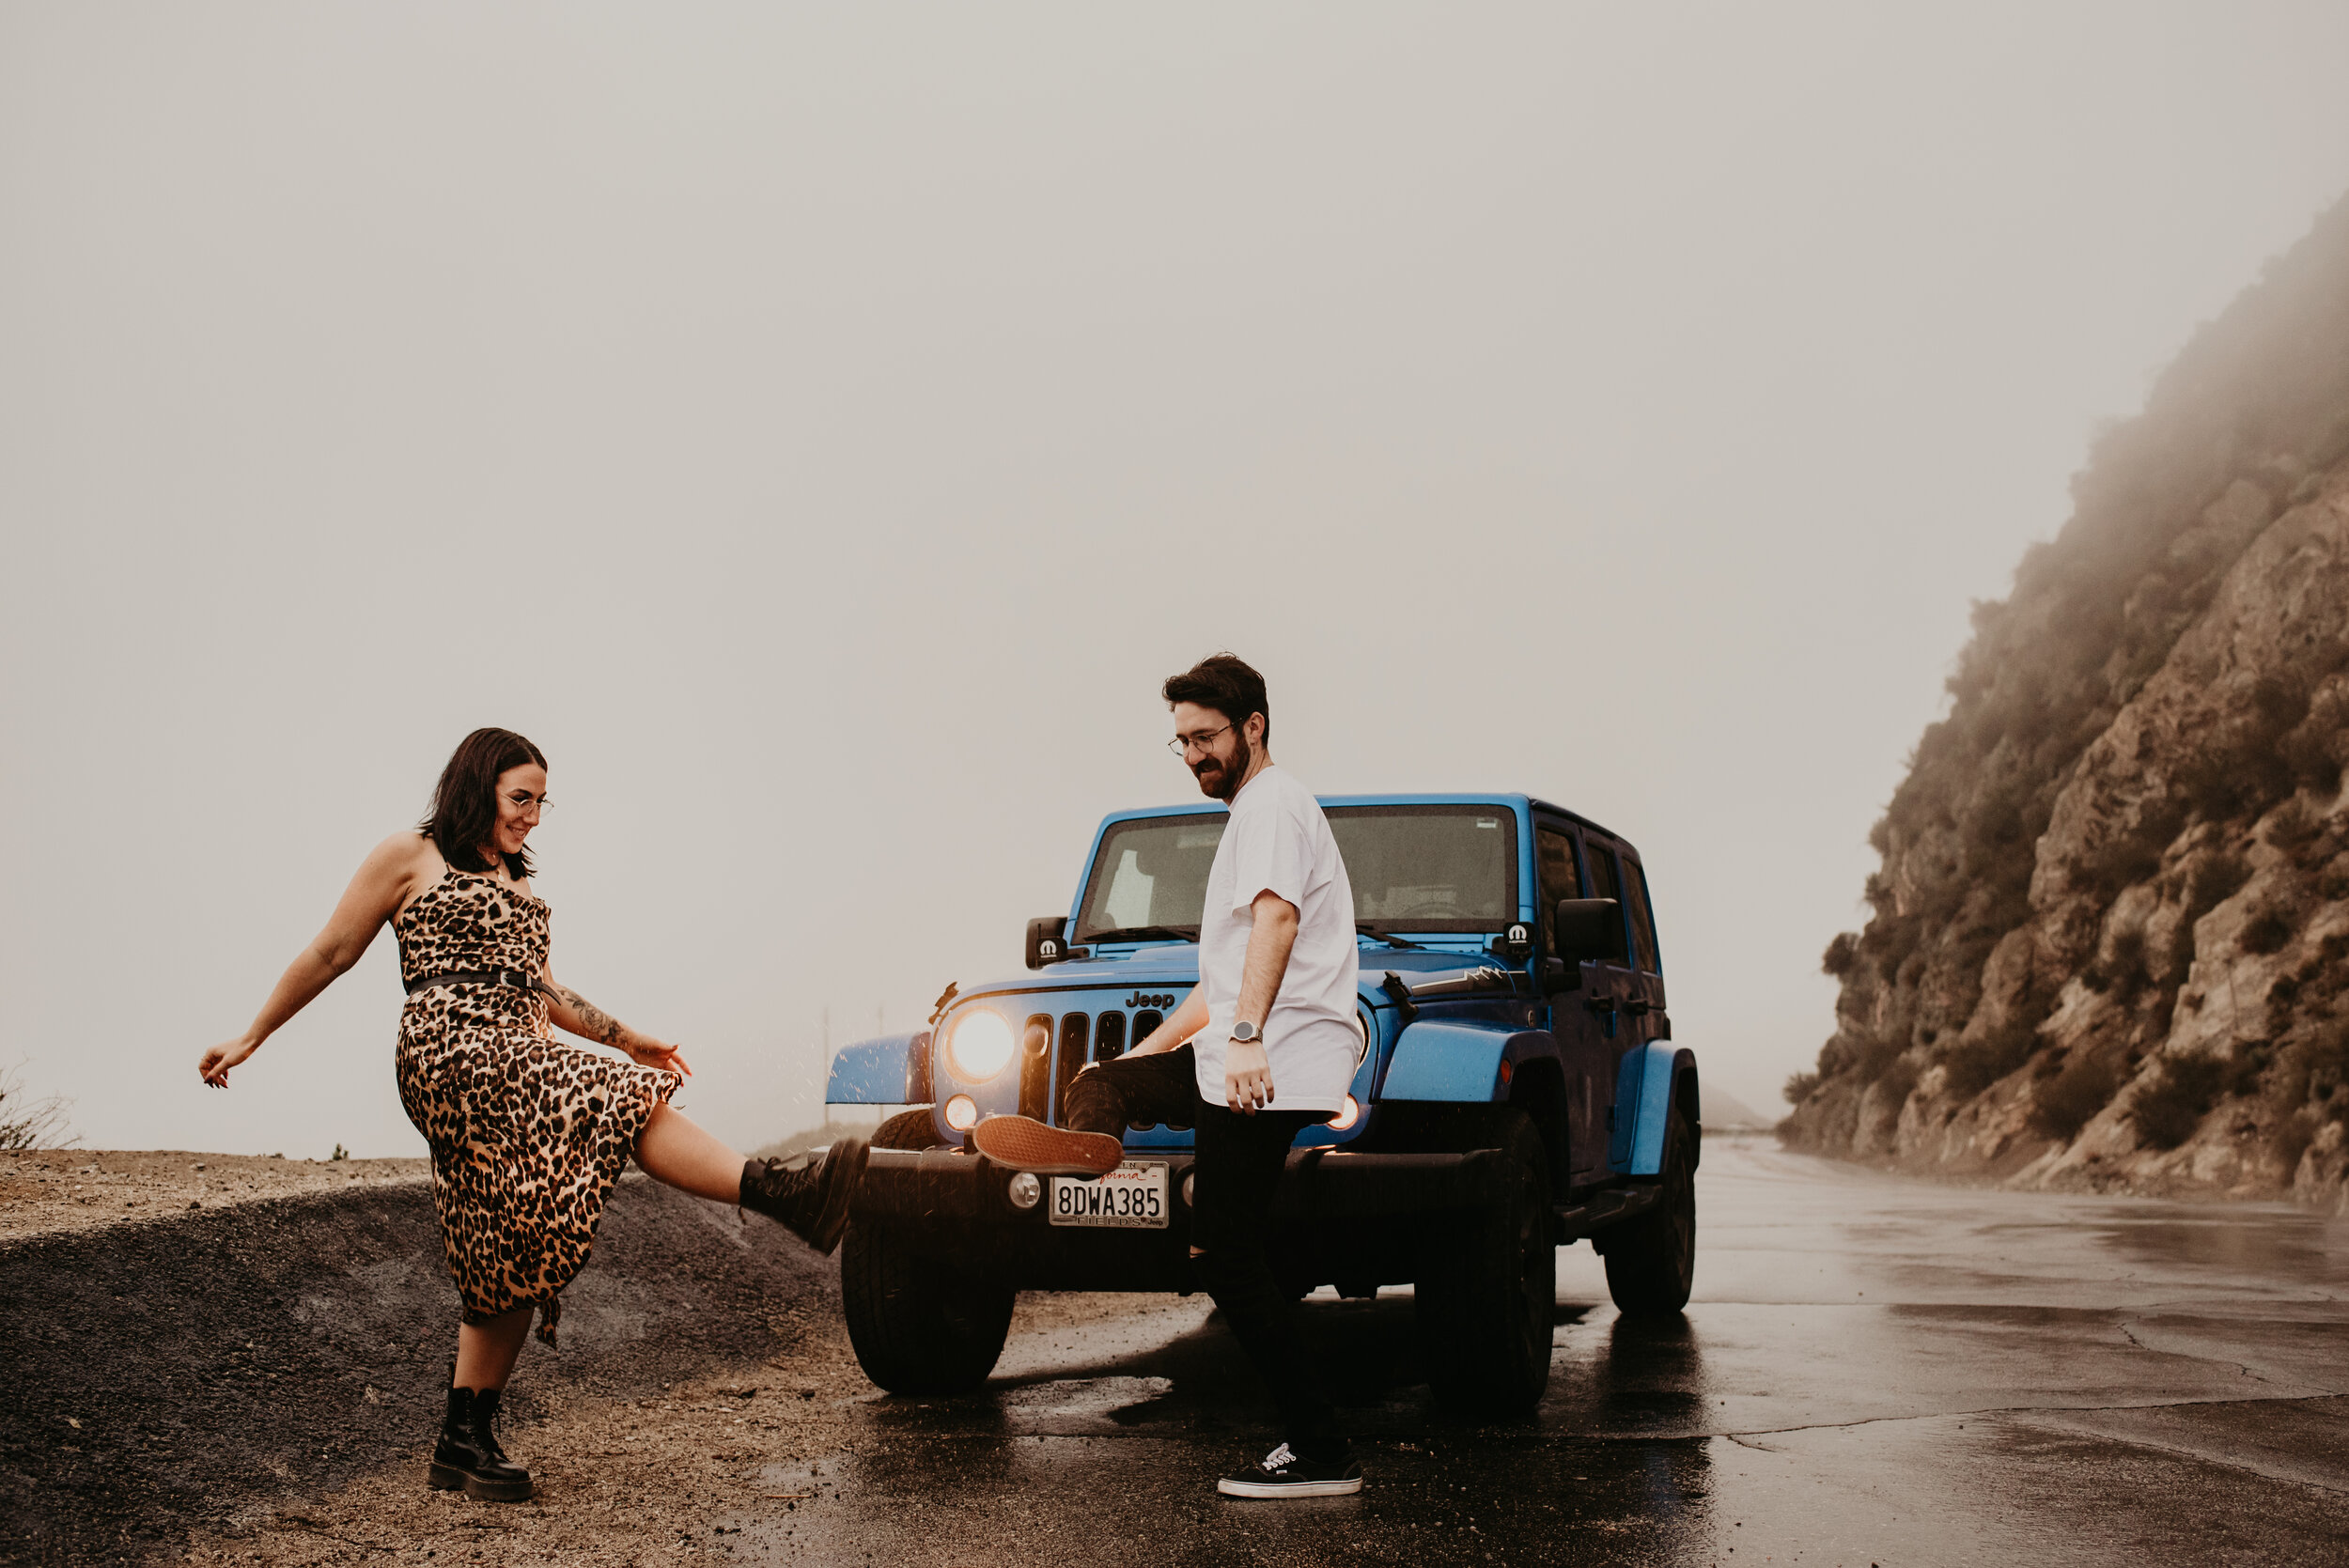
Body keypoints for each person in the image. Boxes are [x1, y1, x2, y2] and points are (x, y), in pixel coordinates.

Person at [196, 727, 866, 1503]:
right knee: (615, 1094)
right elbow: (329, 953)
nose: (534, 817)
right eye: (523, 798)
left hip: (519, 1044)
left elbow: (545, 990)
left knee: (505, 1240)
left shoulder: (513, 875)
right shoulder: (410, 855)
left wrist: (627, 1034)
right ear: (476, 784)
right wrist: (251, 1034)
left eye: (543, 803)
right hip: (451, 1046)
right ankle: (782, 1189)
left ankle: (463, 1438)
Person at [972, 654, 1363, 1498]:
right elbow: (1216, 982)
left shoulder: (1269, 808)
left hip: (1262, 1066)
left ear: (1253, 726)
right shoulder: (1261, 811)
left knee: (1229, 1257)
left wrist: (1252, 1035)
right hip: (1240, 1055)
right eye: (1181, 740)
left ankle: (1322, 1449)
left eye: (1206, 736)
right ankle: (1094, 1141)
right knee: (1107, 1079)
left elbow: (1277, 919)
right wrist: (1147, 1050)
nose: (1193, 754)